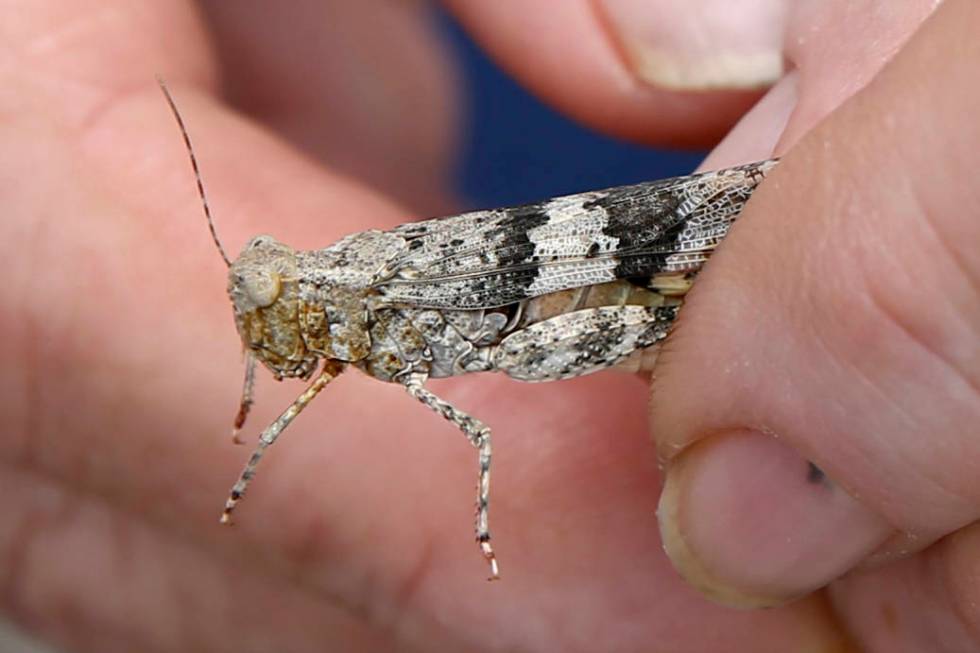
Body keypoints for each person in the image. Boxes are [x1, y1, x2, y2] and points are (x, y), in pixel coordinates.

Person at [1, 1, 976, 651]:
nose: (265, 319)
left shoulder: (369, 286)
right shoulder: (326, 316)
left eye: (271, 300)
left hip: (608, 257)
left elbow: (470, 412)